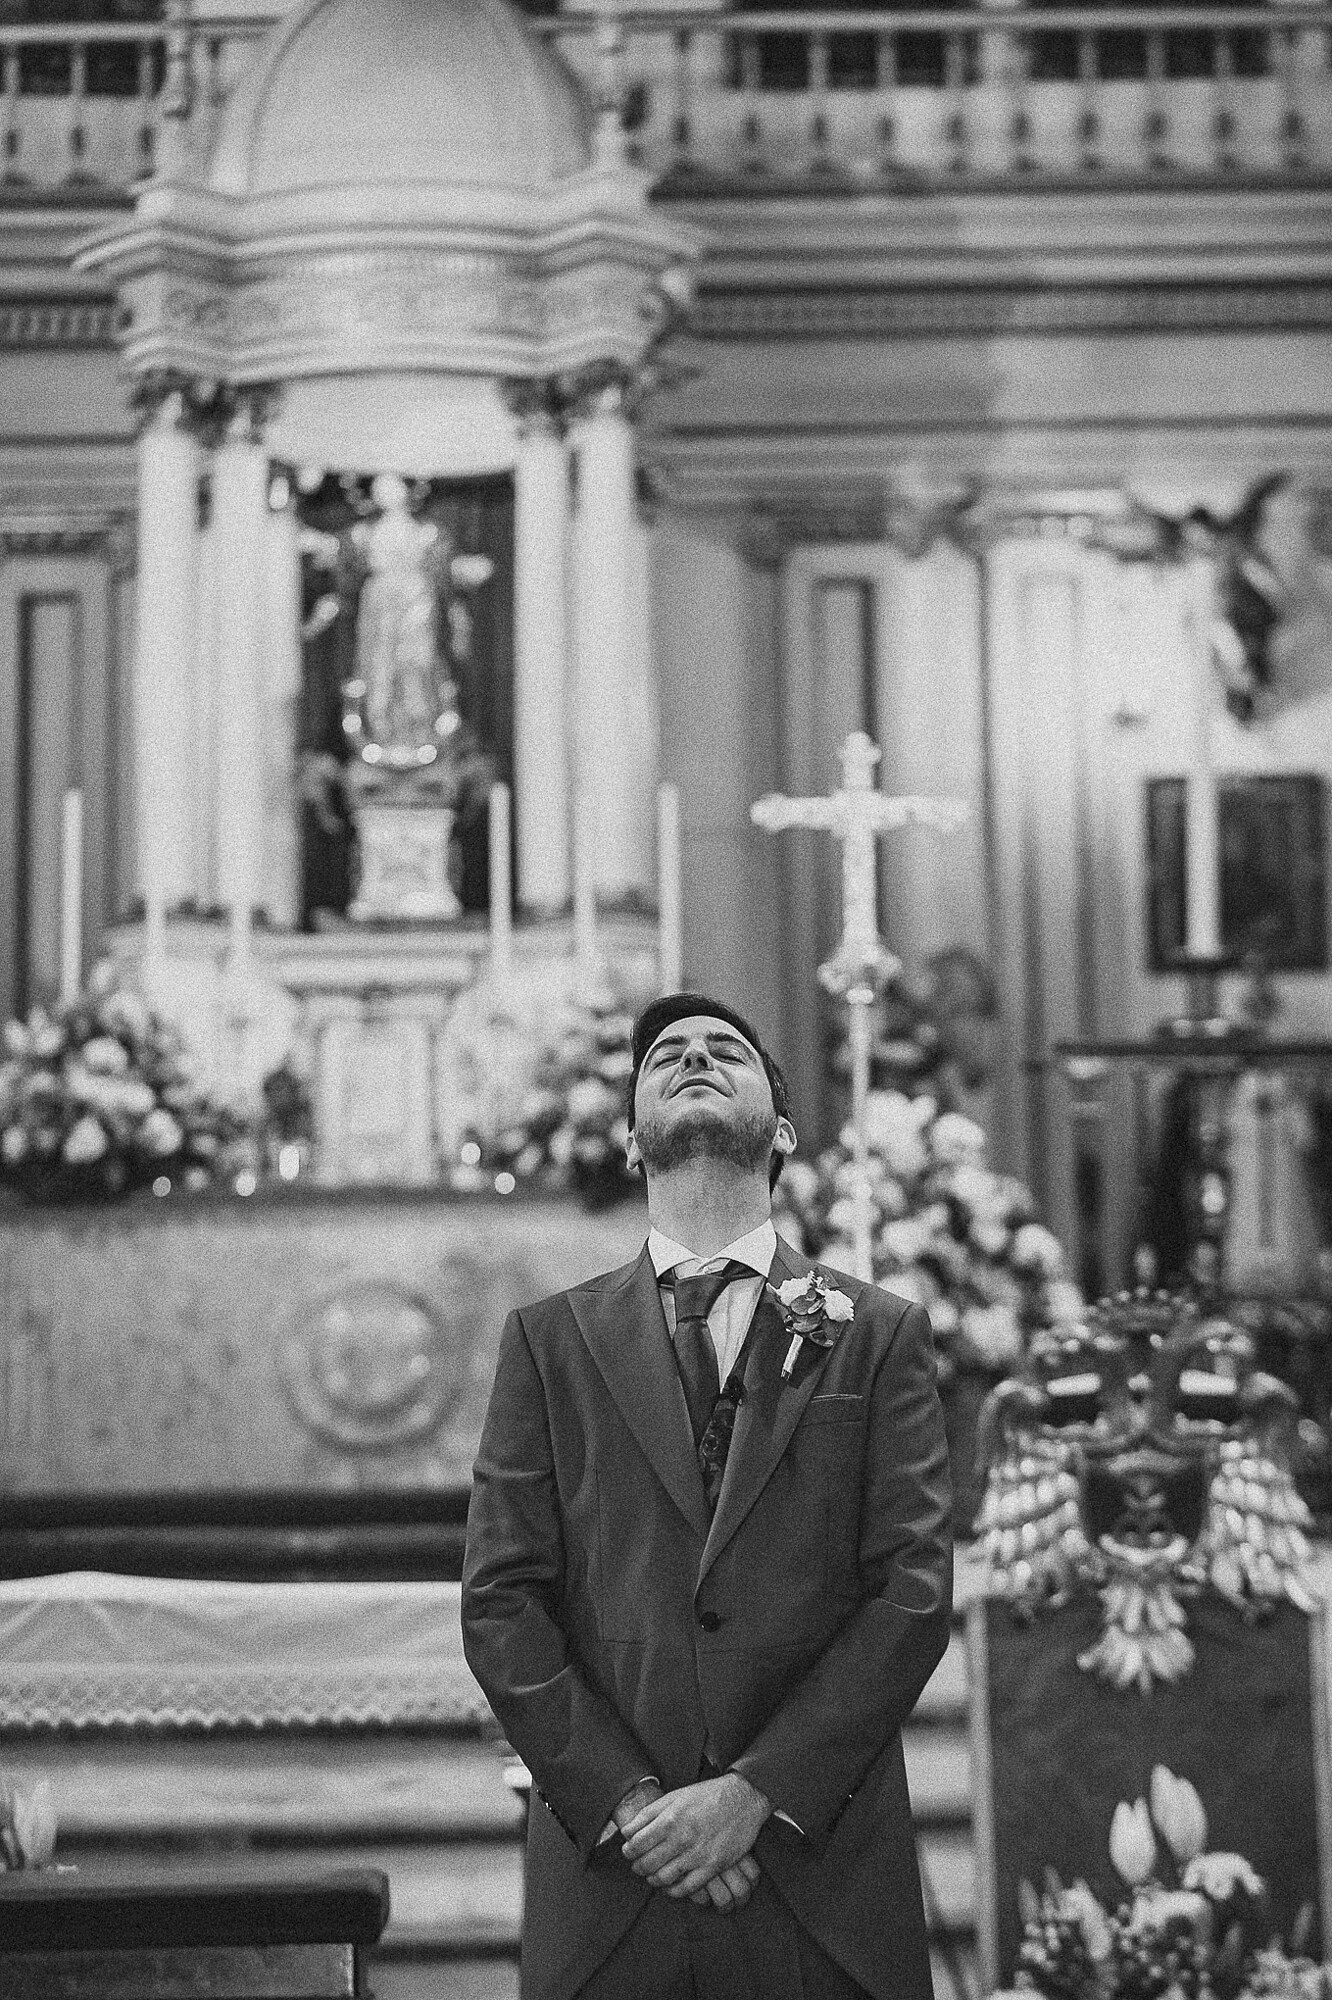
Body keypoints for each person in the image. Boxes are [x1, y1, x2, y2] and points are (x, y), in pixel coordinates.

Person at [462, 992, 953, 2000]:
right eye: (664, 1056)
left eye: (725, 1047)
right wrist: (638, 1805)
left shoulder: (876, 1332)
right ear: (634, 1140)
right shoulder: (548, 1342)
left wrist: (756, 1795)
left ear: (780, 1127)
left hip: (822, 1875)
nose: (692, 1056)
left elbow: (911, 1589)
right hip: (614, 1882)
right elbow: (501, 1597)